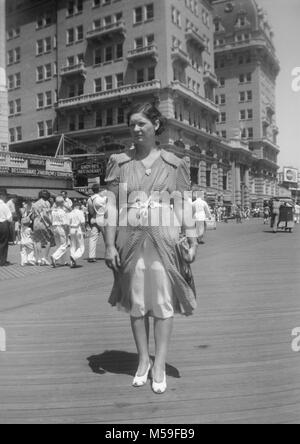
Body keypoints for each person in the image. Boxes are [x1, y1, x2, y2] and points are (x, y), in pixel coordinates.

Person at [104, 102, 197, 395]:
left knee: (162, 302)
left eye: (141, 123)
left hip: (164, 242)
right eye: (132, 124)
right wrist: (108, 244)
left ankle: (160, 363)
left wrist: (192, 235)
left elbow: (182, 202)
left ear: (156, 125)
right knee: (137, 303)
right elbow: (111, 205)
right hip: (129, 242)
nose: (135, 129)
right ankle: (143, 361)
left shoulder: (173, 163)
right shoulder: (118, 162)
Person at [87, 184, 107, 263]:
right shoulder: (103, 198)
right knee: (107, 237)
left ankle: (91, 256)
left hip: (94, 218)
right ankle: (109, 253)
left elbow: (90, 211)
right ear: (99, 189)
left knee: (93, 237)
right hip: (103, 218)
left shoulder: (90, 199)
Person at [32, 190, 52, 266]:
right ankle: (45, 258)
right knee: (48, 241)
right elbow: (45, 215)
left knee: (38, 241)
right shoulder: (46, 203)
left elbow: (33, 216)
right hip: (43, 223)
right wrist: (50, 223)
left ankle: (39, 259)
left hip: (36, 223)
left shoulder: (35, 204)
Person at [50, 196, 70, 268]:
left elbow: (51, 220)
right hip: (61, 228)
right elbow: (65, 224)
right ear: (62, 203)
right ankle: (55, 256)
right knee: (64, 244)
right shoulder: (62, 212)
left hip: (54, 227)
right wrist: (68, 232)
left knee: (59, 245)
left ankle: (63, 262)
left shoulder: (53, 211)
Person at [68, 200, 86, 268]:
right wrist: (84, 231)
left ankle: (72, 262)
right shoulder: (80, 212)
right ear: (78, 206)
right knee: (81, 247)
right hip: (78, 229)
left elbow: (68, 223)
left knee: (73, 246)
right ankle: (74, 256)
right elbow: (83, 223)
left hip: (71, 229)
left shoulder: (70, 213)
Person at [0, 189, 12, 267]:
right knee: (3, 243)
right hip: (3, 224)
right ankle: (2, 261)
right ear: (3, 196)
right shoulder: (4, 205)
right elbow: (10, 218)